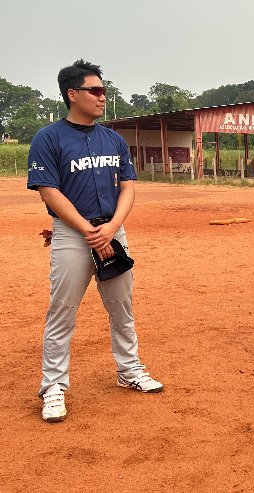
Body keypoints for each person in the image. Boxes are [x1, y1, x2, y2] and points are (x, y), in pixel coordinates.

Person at [27, 59, 163, 423]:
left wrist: (112, 226)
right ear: (72, 94)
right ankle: (53, 385)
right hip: (73, 234)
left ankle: (129, 370)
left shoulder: (113, 139)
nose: (104, 97)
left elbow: (128, 186)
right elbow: (48, 191)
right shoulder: (48, 138)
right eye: (96, 90)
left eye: (104, 90)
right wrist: (89, 230)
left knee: (122, 307)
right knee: (62, 310)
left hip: (112, 230)